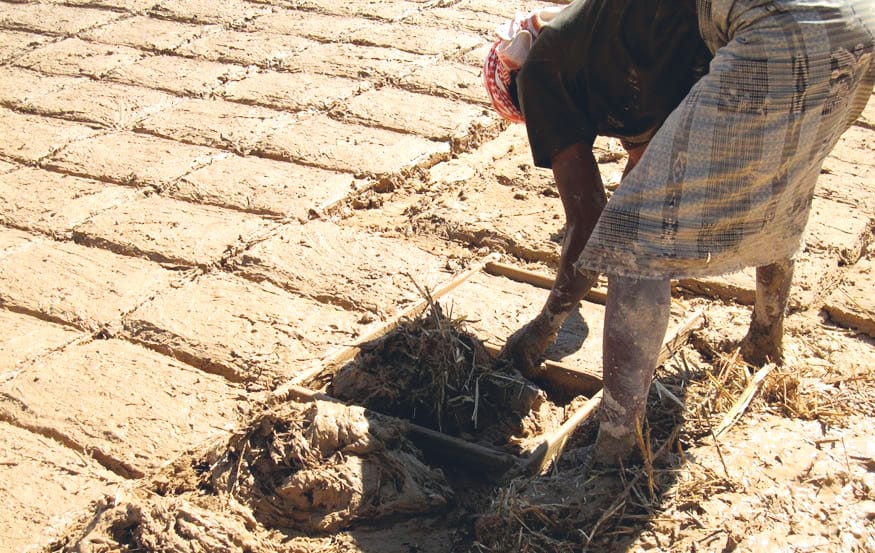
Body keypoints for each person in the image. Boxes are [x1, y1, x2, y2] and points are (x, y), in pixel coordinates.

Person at [485, 0, 874, 464]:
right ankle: (765, 340)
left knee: (631, 244)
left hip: (775, 27)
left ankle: (614, 452)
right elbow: (644, 170)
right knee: (779, 189)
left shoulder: (538, 75)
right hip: (855, 22)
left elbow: (590, 223)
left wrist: (543, 328)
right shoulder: (614, 43)